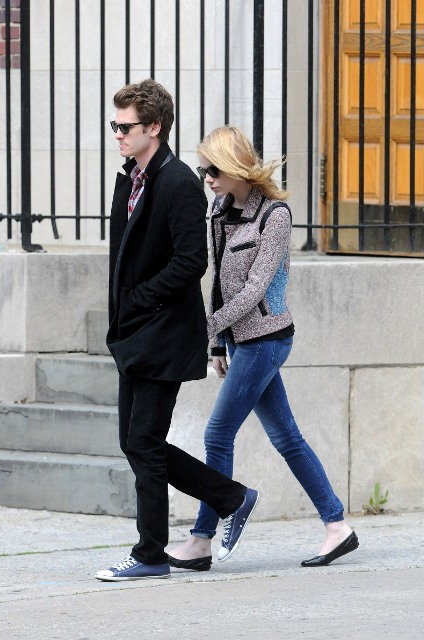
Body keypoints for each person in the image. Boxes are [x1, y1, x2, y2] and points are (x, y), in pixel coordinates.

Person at [168, 125, 358, 571]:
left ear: (236, 167)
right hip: (239, 341)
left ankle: (201, 539)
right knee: (287, 437)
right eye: (203, 170)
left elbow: (255, 289)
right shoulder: (219, 212)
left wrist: (204, 328)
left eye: (214, 170)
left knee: (218, 435)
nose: (208, 179)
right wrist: (217, 342)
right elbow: (217, 282)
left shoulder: (275, 216)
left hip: (267, 339)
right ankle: (337, 526)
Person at [95, 81, 259, 582]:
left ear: (154, 127)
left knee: (143, 441)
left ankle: (150, 553)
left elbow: (191, 262)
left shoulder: (179, 183)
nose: (118, 134)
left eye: (126, 126)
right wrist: (124, 312)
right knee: (134, 441)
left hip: (164, 332)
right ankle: (231, 497)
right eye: (115, 125)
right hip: (135, 331)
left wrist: (140, 299)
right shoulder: (133, 178)